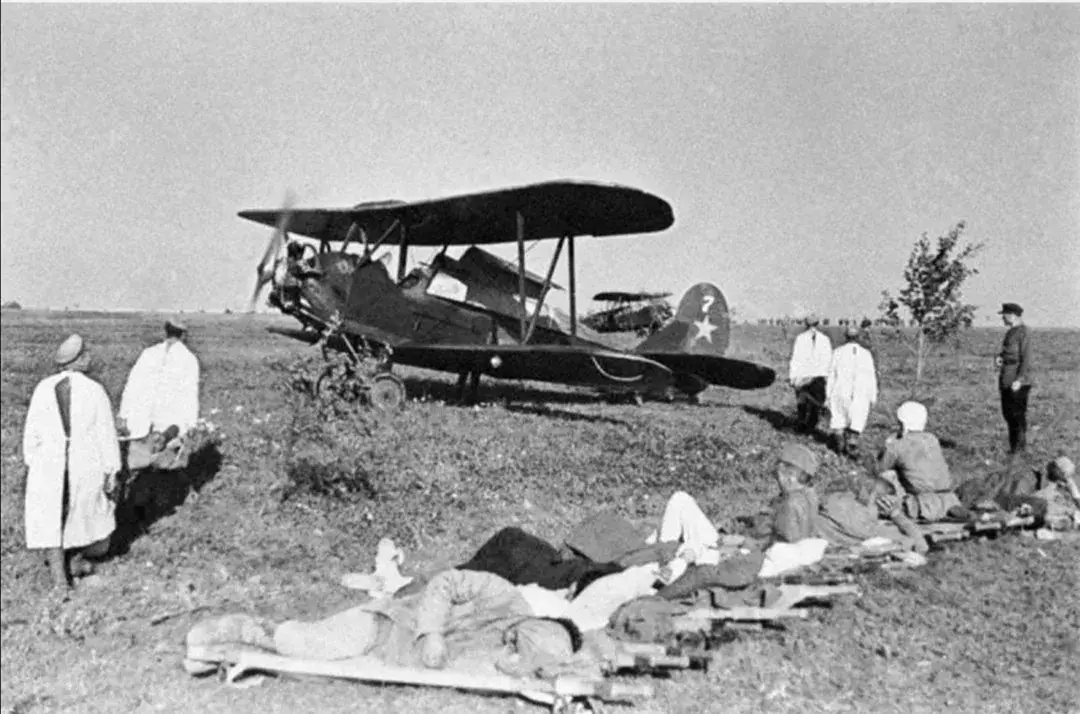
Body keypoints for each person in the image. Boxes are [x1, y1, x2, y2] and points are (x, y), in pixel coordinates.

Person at [184, 568, 585, 679]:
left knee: (314, 676)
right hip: (382, 624)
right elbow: (444, 583)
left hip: (388, 661)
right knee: (305, 647)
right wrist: (430, 633)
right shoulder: (502, 594)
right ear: (535, 619)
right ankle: (237, 629)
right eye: (521, 635)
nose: (512, 641)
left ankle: (232, 654)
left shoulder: (513, 653)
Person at [22, 334, 121, 589]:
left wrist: (35, 462)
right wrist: (112, 469)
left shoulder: (43, 388)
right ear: (75, 361)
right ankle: (70, 567)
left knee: (50, 516)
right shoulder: (95, 390)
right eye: (84, 355)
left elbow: (30, 433)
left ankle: (62, 574)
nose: (89, 358)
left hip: (48, 462)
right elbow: (106, 435)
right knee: (84, 514)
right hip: (84, 463)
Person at [876, 401, 965, 522]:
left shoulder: (897, 445)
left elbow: (880, 469)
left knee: (887, 476)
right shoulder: (932, 439)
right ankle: (946, 510)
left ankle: (905, 508)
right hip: (948, 497)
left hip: (920, 502)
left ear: (903, 424)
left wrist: (887, 447)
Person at [118, 318, 200, 444]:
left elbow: (132, 385)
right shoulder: (189, 359)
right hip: (169, 424)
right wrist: (191, 425)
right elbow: (190, 394)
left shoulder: (149, 353)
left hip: (140, 420)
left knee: (136, 457)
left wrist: (123, 415)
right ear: (183, 335)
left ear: (165, 332)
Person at [826, 326, 878, 458]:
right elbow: (871, 376)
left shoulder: (837, 352)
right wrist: (873, 395)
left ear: (846, 337)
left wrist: (828, 394)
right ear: (858, 337)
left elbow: (831, 375)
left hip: (840, 390)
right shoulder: (866, 354)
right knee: (858, 419)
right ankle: (851, 445)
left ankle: (840, 447)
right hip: (860, 392)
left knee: (838, 418)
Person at [995, 302, 1033, 455]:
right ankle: (1014, 448)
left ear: (1012, 315)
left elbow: (1026, 358)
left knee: (1017, 415)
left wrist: (1020, 379)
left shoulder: (1024, 332)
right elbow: (1009, 352)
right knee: (1008, 414)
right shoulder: (1011, 332)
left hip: (1017, 380)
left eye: (1004, 315)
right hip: (1007, 376)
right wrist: (1000, 357)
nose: (1002, 318)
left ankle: (1019, 450)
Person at [787, 314, 833, 433]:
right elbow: (829, 358)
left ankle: (802, 423)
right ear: (817, 324)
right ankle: (811, 426)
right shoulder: (825, 339)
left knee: (802, 400)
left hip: (804, 375)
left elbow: (796, 358)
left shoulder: (801, 338)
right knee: (816, 402)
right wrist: (828, 375)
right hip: (819, 375)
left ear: (806, 324)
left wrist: (793, 376)